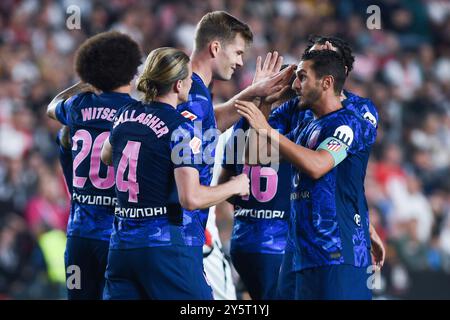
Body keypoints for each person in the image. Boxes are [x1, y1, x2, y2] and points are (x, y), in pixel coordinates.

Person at [100, 47, 249, 299]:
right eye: (190, 79)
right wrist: (235, 186)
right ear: (179, 85)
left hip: (121, 247)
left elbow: (107, 157)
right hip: (162, 248)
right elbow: (191, 199)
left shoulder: (125, 114)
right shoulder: (181, 128)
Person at [236, 50, 375, 300]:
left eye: (302, 76)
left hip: (338, 253)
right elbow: (253, 156)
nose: (295, 84)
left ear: (326, 82)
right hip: (304, 254)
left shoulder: (348, 123)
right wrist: (265, 101)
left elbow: (318, 164)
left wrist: (268, 130)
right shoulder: (307, 125)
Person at [177, 10, 291, 299]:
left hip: (162, 236)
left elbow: (209, 119)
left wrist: (254, 94)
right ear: (215, 47)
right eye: (238, 52)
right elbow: (191, 195)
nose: (241, 61)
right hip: (177, 234)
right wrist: (234, 187)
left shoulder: (194, 92)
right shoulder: (186, 89)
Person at [271, 36, 386, 300]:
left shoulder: (359, 113)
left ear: (335, 74)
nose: (299, 82)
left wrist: (366, 227)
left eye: (327, 57)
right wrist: (266, 97)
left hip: (337, 239)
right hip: (299, 240)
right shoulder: (295, 107)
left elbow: (347, 174)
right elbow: (257, 150)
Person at [46, 31, 142, 299]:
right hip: (117, 236)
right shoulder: (137, 112)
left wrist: (81, 85)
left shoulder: (78, 105)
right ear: (132, 71)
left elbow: (52, 107)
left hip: (80, 236)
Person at [215, 65, 296, 300]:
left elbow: (226, 185)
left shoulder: (240, 125)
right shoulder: (296, 127)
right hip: (279, 245)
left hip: (242, 241)